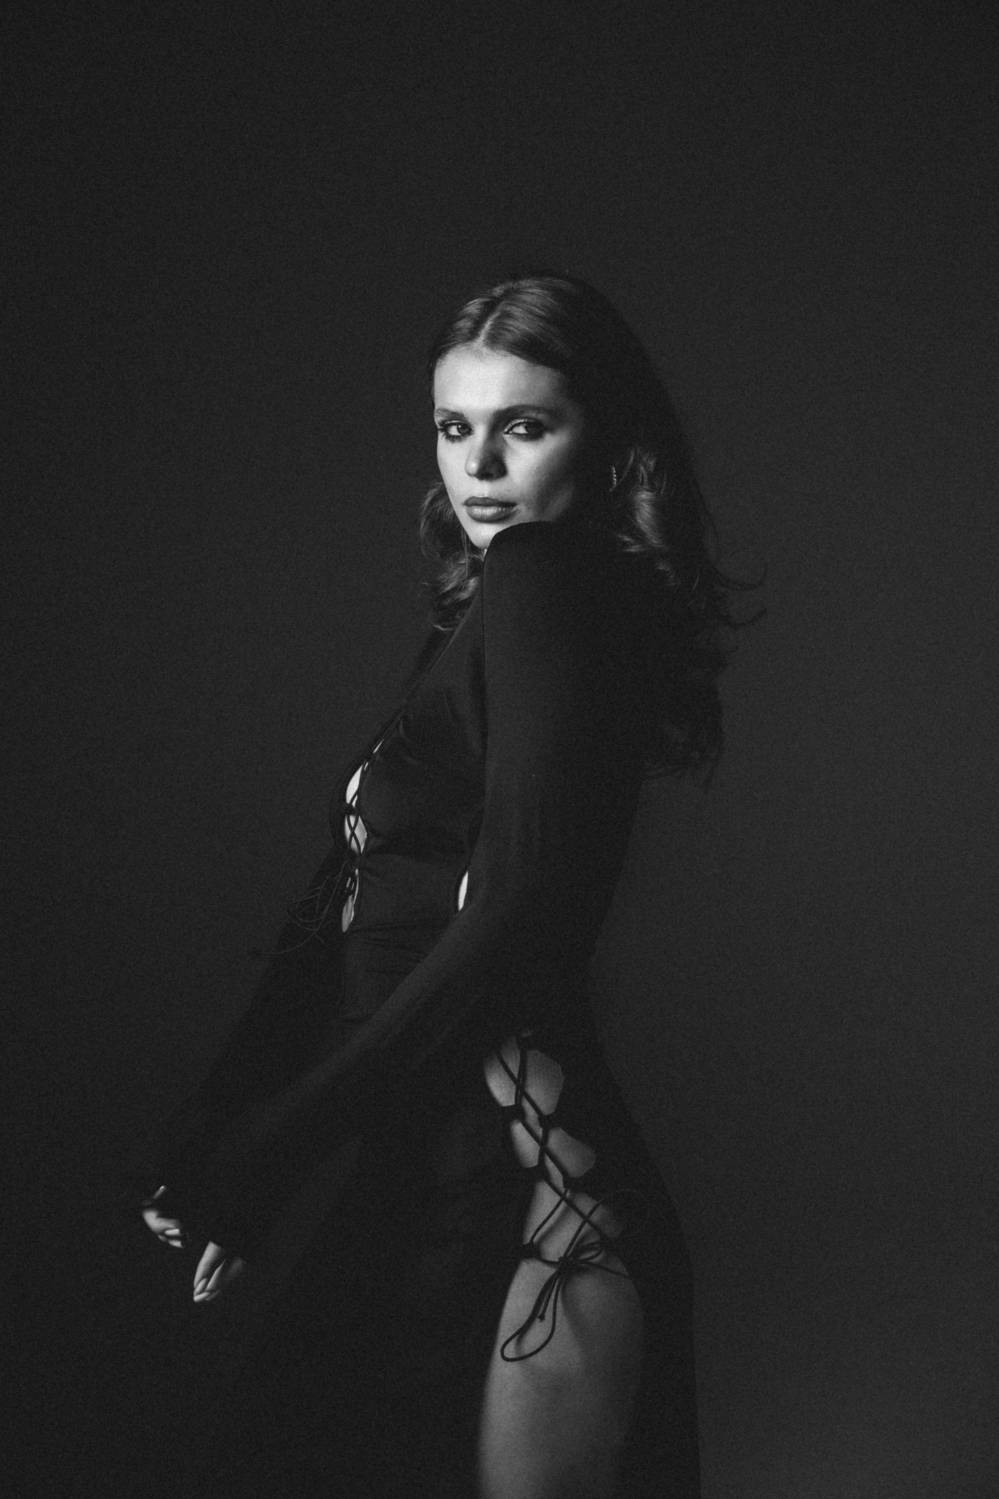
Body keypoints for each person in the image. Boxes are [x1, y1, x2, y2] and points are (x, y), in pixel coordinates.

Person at [138, 272, 746, 1496]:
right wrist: (226, 1127)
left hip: (537, 1200)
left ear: (609, 441)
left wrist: (267, 1152)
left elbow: (514, 913)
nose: (481, 464)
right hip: (431, 1179)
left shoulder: (544, 577)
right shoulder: (490, 614)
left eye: (526, 425)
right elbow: (345, 904)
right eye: (454, 427)